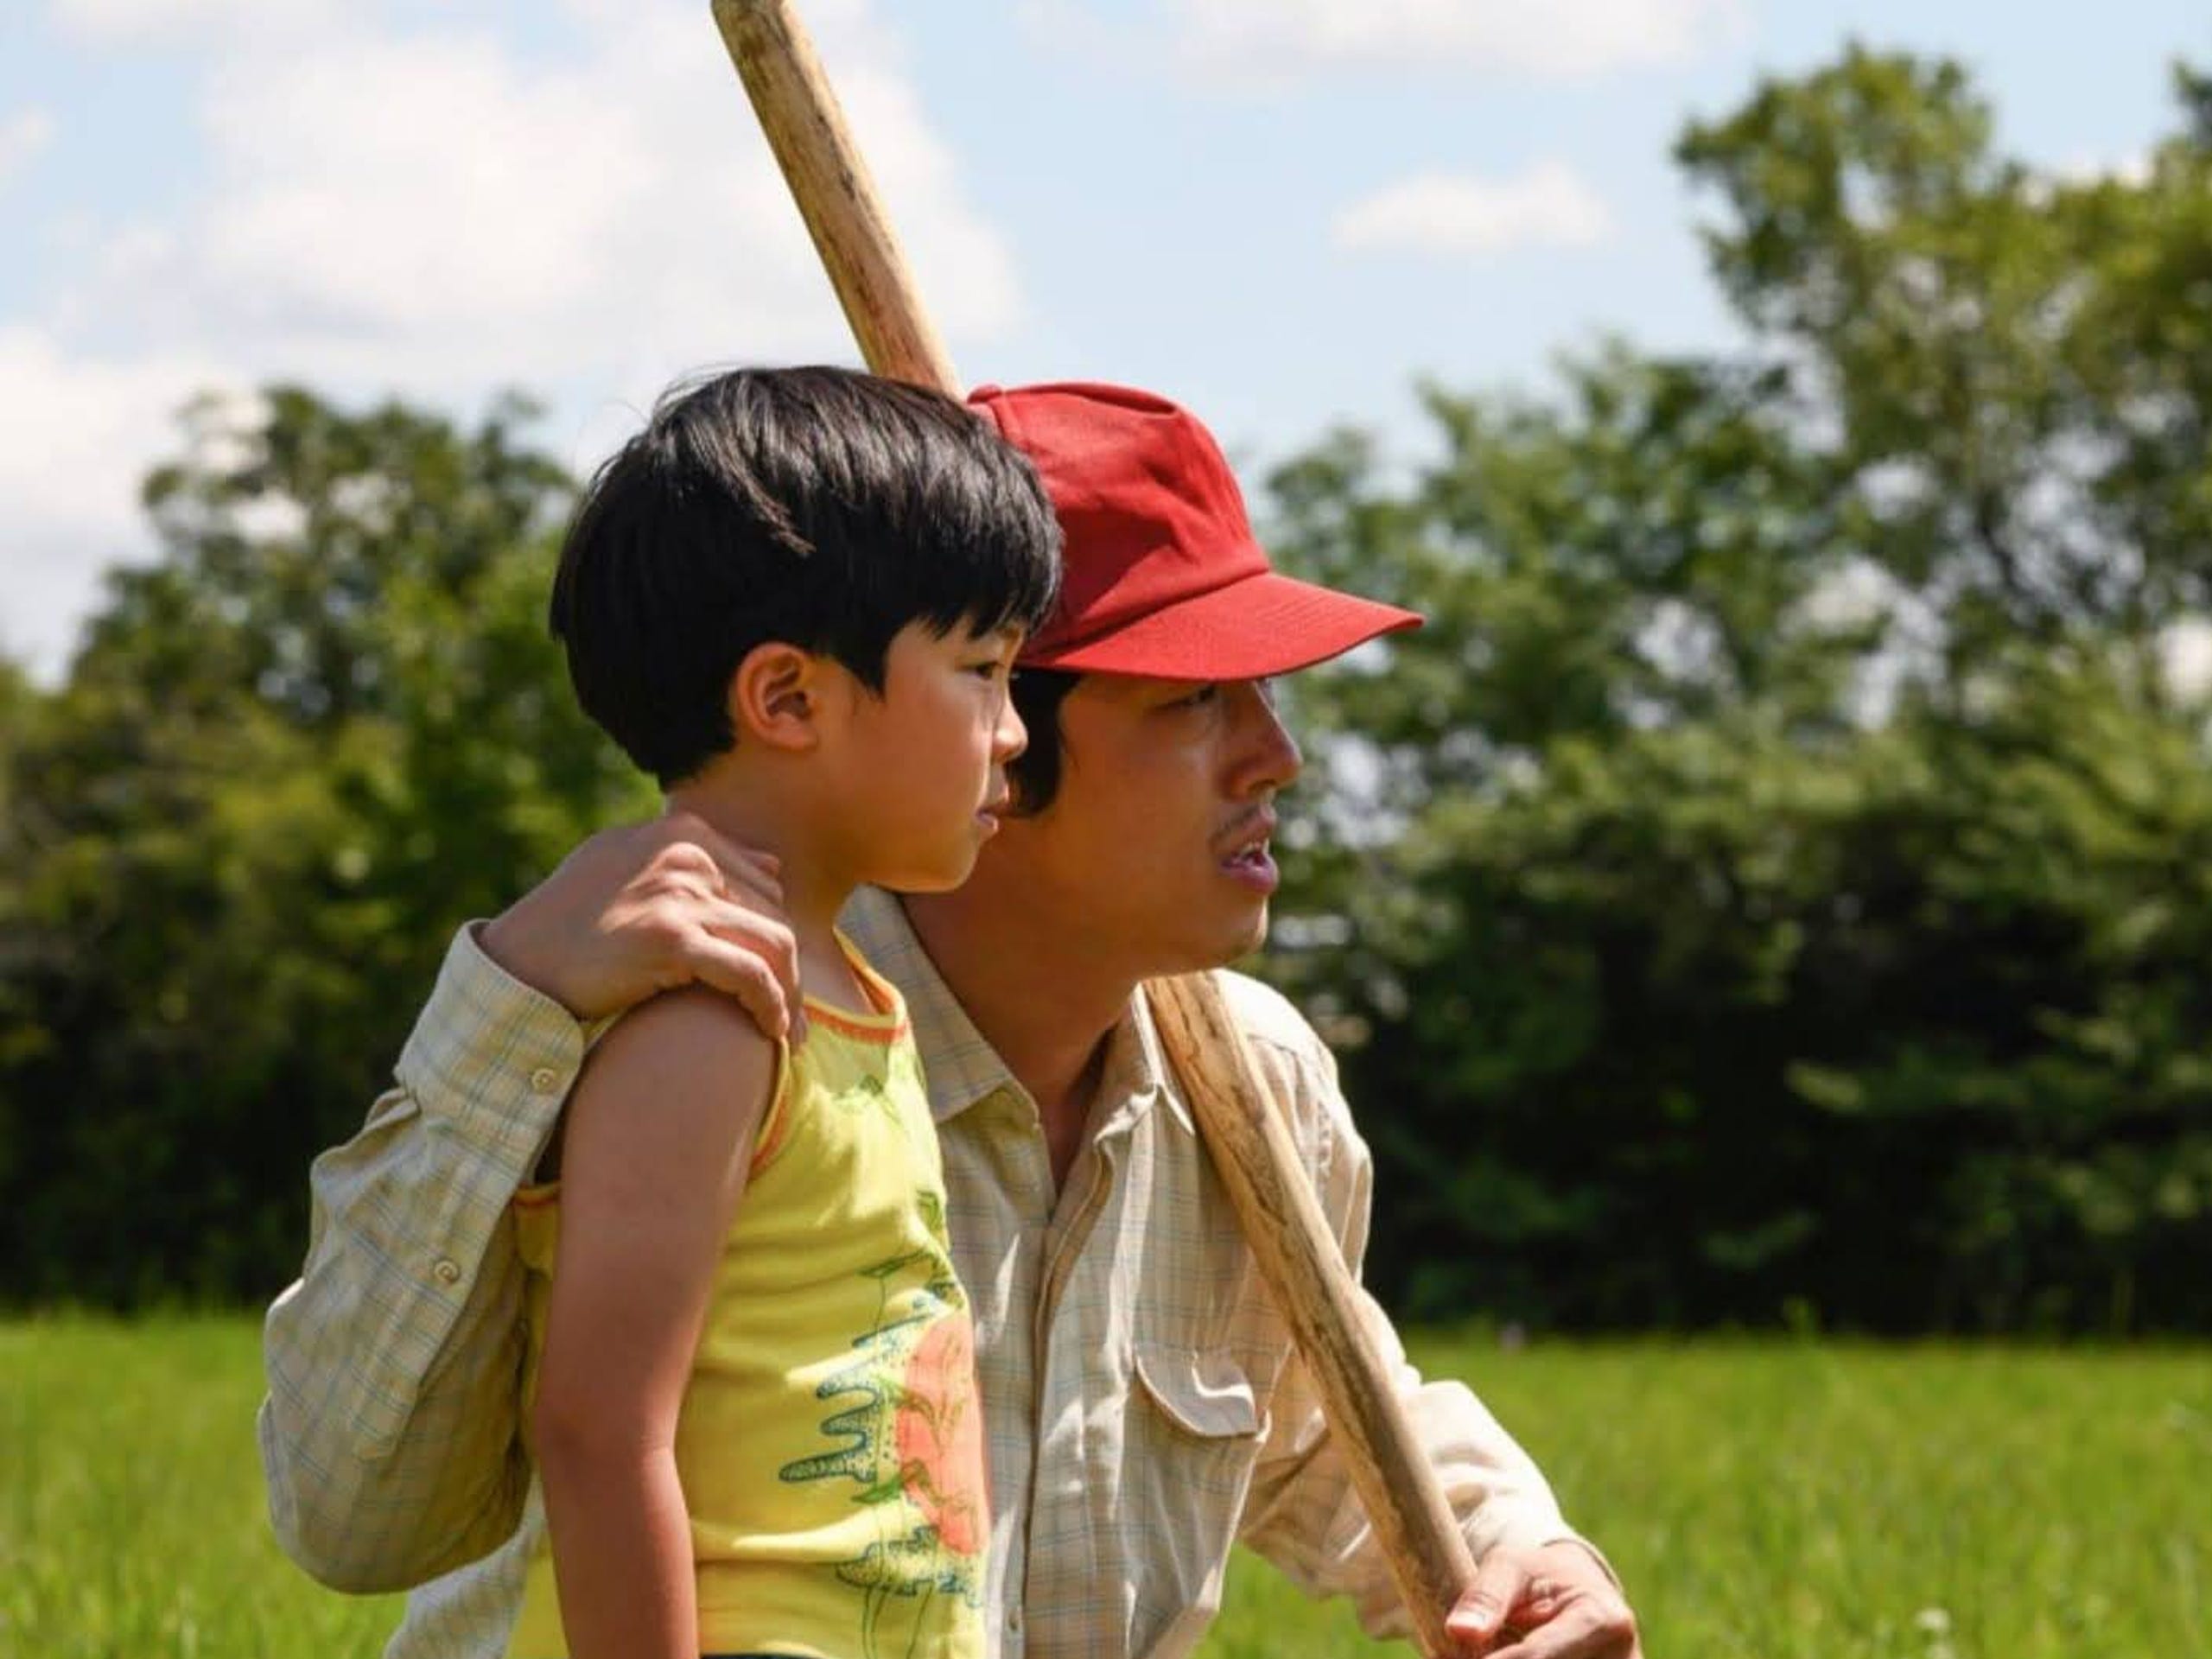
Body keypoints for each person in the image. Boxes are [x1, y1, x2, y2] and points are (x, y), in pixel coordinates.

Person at [260, 380, 1643, 1659]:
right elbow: (354, 1515)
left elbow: (1312, 1418)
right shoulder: (689, 1010)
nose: (1278, 755)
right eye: (1194, 700)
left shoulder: (1259, 1082)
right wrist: (508, 1004)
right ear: (1000, 721)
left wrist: (1518, 1548)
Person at [445, 364, 1057, 1659]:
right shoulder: (708, 1019)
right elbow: (601, 1431)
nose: (1015, 734)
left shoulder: (856, 995)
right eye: (984, 671)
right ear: (787, 699)